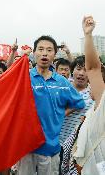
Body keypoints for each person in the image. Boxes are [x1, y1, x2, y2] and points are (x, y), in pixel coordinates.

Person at [17, 35, 85, 175]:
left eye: (49, 50)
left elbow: (79, 102)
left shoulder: (62, 82)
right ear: (34, 52)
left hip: (50, 147)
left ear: (55, 54)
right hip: (25, 147)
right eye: (40, 49)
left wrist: (62, 113)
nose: (44, 53)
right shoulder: (23, 77)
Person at [71, 16, 105, 175]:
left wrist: (88, 35)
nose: (91, 85)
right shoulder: (95, 111)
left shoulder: (102, 106)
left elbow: (93, 69)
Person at [59, 56, 94, 144]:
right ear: (72, 70)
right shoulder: (60, 89)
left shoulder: (94, 94)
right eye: (78, 69)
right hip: (57, 143)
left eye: (86, 70)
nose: (81, 73)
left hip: (80, 145)